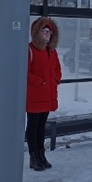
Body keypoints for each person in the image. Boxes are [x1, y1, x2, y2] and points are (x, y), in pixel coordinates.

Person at [26, 17, 62, 171]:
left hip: (47, 96)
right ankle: (33, 157)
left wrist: (55, 81)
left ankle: (41, 155)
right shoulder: (29, 49)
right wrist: (40, 82)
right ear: (36, 33)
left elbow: (57, 70)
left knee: (41, 126)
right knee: (33, 126)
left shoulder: (51, 51)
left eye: (49, 31)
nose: (47, 34)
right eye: (44, 31)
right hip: (34, 96)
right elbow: (24, 72)